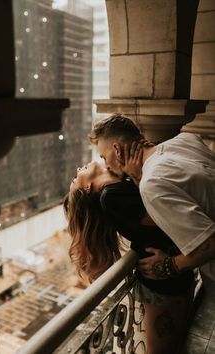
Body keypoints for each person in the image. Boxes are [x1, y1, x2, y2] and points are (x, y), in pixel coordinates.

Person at [64, 161, 195, 354]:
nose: (77, 169)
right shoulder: (112, 197)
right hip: (162, 284)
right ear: (87, 187)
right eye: (76, 179)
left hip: (173, 274)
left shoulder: (119, 187)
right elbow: (171, 216)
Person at [89, 114, 215, 293]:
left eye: (104, 156)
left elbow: (208, 245)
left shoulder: (152, 184)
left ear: (117, 150)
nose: (106, 165)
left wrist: (169, 266)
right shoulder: (186, 140)